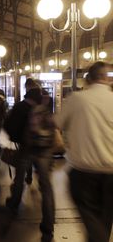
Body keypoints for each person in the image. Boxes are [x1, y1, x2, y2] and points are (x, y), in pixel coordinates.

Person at [55, 62, 113, 242]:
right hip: (111, 172)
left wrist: (62, 145)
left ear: (89, 78)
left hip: (83, 172)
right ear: (106, 78)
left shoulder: (77, 99)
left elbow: (56, 125)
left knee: (91, 218)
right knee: (104, 218)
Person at [3, 79, 55, 242]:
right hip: (45, 150)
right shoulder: (46, 104)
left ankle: (14, 203)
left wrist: (16, 139)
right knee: (46, 187)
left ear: (26, 91)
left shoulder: (20, 106)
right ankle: (48, 226)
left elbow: (9, 128)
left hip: (27, 148)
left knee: (19, 178)